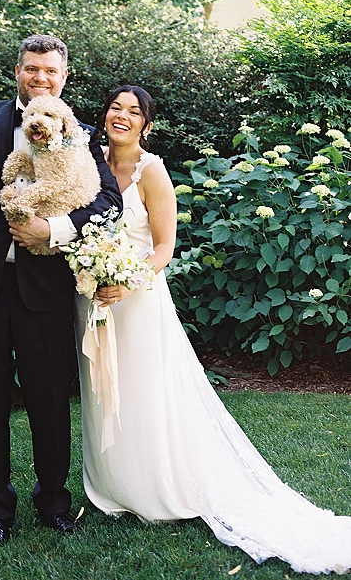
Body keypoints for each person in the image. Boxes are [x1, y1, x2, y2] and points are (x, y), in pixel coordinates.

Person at [75, 84, 351, 574]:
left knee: (145, 392)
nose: (122, 116)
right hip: (93, 294)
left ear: (147, 125)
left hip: (136, 299)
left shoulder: (151, 170)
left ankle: (155, 485)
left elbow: (163, 248)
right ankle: (114, 484)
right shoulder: (88, 162)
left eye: (134, 112)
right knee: (101, 389)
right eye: (116, 107)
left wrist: (126, 281)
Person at [0, 35, 122, 548]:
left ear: (64, 76)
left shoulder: (80, 132)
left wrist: (53, 232)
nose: (40, 78)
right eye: (32, 69)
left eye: (50, 71)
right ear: (17, 71)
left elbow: (108, 202)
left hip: (46, 286)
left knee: (50, 399)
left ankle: (53, 502)